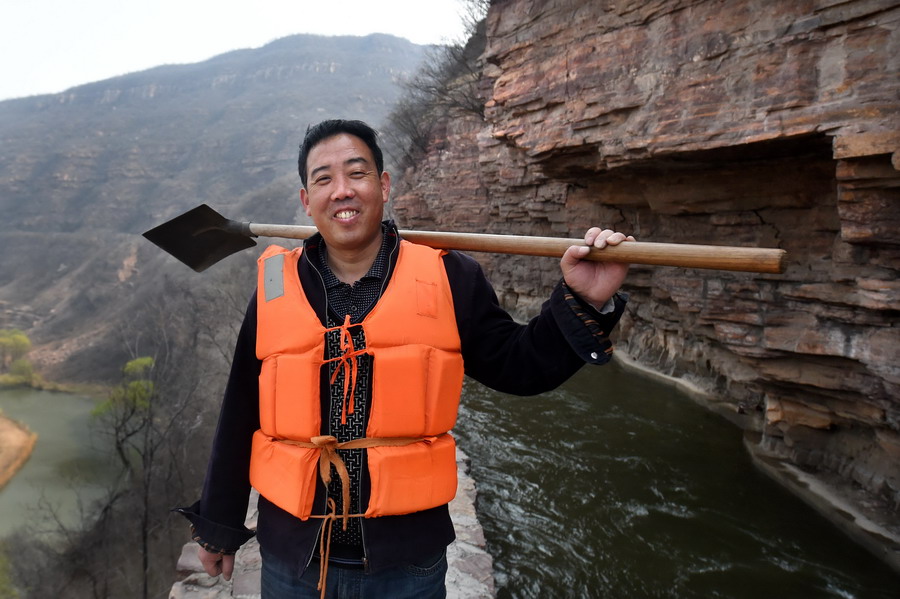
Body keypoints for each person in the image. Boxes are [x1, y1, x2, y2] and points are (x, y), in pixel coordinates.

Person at [176, 119, 635, 599]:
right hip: (293, 557)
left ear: (384, 185)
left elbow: (519, 365)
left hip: (407, 563)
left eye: (357, 173)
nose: (342, 190)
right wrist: (218, 523)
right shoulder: (275, 286)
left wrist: (583, 300)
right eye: (324, 179)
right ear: (307, 201)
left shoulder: (449, 275)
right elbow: (241, 407)